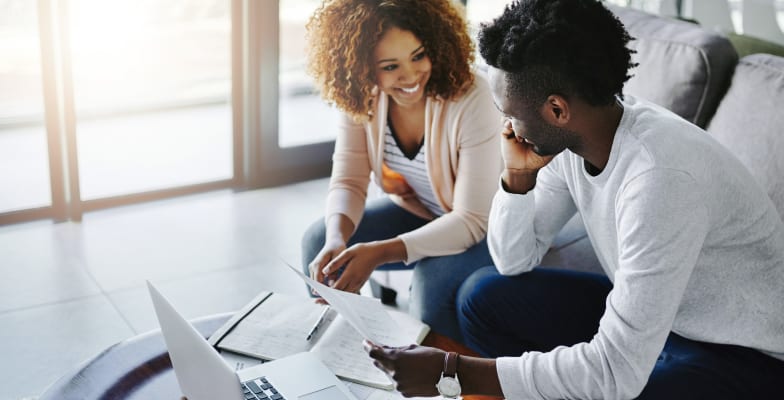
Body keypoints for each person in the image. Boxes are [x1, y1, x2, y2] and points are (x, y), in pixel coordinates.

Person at [365, 0, 784, 398]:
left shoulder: (659, 178)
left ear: (557, 110)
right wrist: (516, 178)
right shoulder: (576, 139)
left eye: (509, 111)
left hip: (743, 354)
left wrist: (451, 371)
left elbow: (617, 372)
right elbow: (514, 260)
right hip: (667, 322)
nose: (506, 127)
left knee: (617, 389)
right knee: (483, 297)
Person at [300, 0, 502, 341]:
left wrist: (380, 252)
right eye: (390, 66)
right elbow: (349, 180)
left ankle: (436, 384)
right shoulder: (362, 96)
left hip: (490, 227)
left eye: (419, 55)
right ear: (362, 68)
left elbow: (472, 219)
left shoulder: (473, 96)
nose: (410, 76)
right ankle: (341, 353)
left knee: (431, 281)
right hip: (428, 212)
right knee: (318, 240)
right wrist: (337, 237)